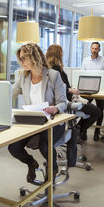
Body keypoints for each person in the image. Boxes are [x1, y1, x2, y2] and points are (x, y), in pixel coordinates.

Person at [9, 43, 67, 183]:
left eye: (24, 58)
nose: (21, 62)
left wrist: (55, 108)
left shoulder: (53, 75)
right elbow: (9, 94)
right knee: (13, 147)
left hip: (53, 121)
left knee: (44, 145)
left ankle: (52, 169)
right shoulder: (24, 77)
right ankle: (31, 163)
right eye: (20, 59)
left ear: (34, 57)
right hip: (33, 122)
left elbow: (63, 102)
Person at [46, 44, 101, 142]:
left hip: (59, 102)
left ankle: (79, 131)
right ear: (59, 55)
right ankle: (78, 131)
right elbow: (60, 88)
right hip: (67, 102)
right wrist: (70, 90)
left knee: (92, 109)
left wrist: (69, 89)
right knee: (97, 112)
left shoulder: (47, 70)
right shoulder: (57, 71)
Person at [81, 41, 104, 141]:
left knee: (100, 110)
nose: (94, 50)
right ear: (90, 48)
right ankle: (83, 131)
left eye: (96, 48)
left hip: (99, 89)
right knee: (85, 108)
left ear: (99, 49)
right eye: (93, 48)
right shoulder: (85, 60)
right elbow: (82, 74)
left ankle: (97, 132)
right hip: (88, 88)